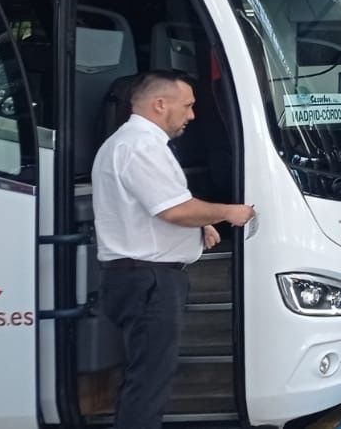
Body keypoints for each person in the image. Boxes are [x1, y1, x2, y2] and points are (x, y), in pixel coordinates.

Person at [93, 71, 256, 429]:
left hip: (140, 276)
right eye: (188, 105)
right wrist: (229, 212)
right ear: (159, 104)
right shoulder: (140, 147)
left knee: (144, 375)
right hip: (148, 280)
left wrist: (200, 223)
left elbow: (167, 206)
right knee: (149, 383)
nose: (193, 115)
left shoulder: (130, 144)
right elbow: (174, 210)